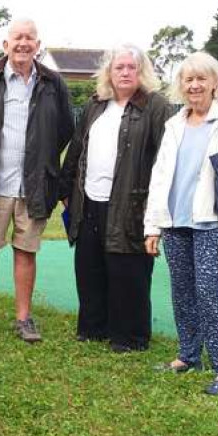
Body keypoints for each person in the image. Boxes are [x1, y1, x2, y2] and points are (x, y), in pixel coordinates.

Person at [144, 51, 218, 395]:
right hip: (175, 222)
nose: (195, 85)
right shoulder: (175, 123)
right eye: (188, 79)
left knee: (213, 296)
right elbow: (160, 177)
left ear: (215, 82)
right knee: (182, 293)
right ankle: (188, 356)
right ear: (180, 85)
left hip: (215, 222)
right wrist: (153, 225)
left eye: (202, 78)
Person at [0, 18, 74, 342]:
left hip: (35, 184)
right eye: (17, 38)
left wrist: (43, 160)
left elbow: (65, 129)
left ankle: (24, 318)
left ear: (38, 45)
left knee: (26, 251)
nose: (23, 43)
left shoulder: (53, 84)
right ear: (6, 45)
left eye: (30, 38)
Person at [57, 44, 172, 352]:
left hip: (131, 203)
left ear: (141, 72)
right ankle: (93, 328)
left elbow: (166, 158)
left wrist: (156, 207)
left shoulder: (155, 106)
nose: (124, 72)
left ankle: (129, 337)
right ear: (109, 72)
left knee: (128, 271)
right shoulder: (97, 105)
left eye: (130, 67)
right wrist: (65, 190)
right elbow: (77, 147)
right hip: (89, 200)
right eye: (118, 67)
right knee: (89, 265)